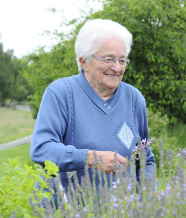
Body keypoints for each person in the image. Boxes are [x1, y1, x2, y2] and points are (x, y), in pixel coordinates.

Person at [30, 18, 155, 200]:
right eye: (108, 59)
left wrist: (148, 196)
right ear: (84, 62)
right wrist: (90, 158)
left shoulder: (134, 98)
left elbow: (144, 157)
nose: (117, 67)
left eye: (122, 60)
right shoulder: (61, 93)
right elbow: (41, 149)